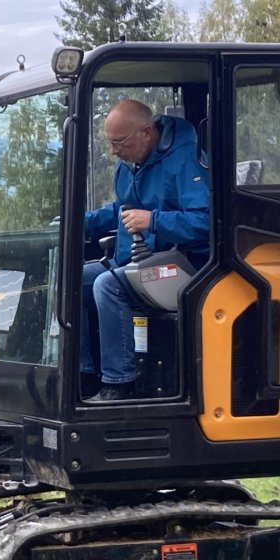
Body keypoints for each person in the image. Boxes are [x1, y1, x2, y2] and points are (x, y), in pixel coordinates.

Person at [82, 99, 210, 401]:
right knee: (74, 280)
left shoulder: (185, 159)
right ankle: (84, 374)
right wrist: (81, 222)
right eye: (110, 142)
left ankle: (119, 382)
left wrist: (153, 220)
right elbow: (122, 209)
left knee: (107, 285)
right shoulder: (130, 163)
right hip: (134, 261)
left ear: (146, 133)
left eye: (119, 142)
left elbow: (205, 221)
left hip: (183, 266)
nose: (113, 151)